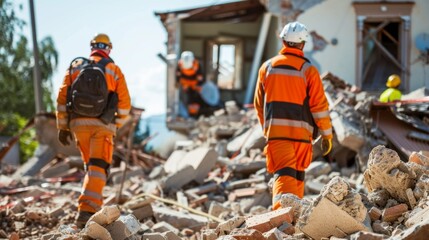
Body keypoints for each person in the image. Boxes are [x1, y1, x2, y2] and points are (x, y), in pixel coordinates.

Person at [253, 21, 333, 210]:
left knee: (285, 175)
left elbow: (259, 104)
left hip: (277, 135)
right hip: (302, 138)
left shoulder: (267, 68)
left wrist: (268, 130)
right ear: (303, 44)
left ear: (283, 41)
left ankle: (286, 222)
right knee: (296, 177)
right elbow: (319, 107)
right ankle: (285, 221)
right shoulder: (309, 70)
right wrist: (327, 134)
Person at [56, 33, 131, 228]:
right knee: (98, 168)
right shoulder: (113, 70)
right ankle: (87, 211)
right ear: (109, 49)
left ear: (91, 47)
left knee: (91, 167)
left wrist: (63, 126)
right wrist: (117, 123)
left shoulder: (75, 67)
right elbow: (124, 105)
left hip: (78, 125)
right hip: (102, 127)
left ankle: (91, 207)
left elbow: (62, 97)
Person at [176, 51, 205, 118]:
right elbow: (178, 74)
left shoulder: (196, 65)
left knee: (196, 97)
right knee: (188, 98)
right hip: (185, 83)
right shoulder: (180, 64)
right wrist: (177, 82)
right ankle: (190, 114)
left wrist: (199, 85)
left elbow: (200, 76)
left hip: (194, 83)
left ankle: (195, 114)